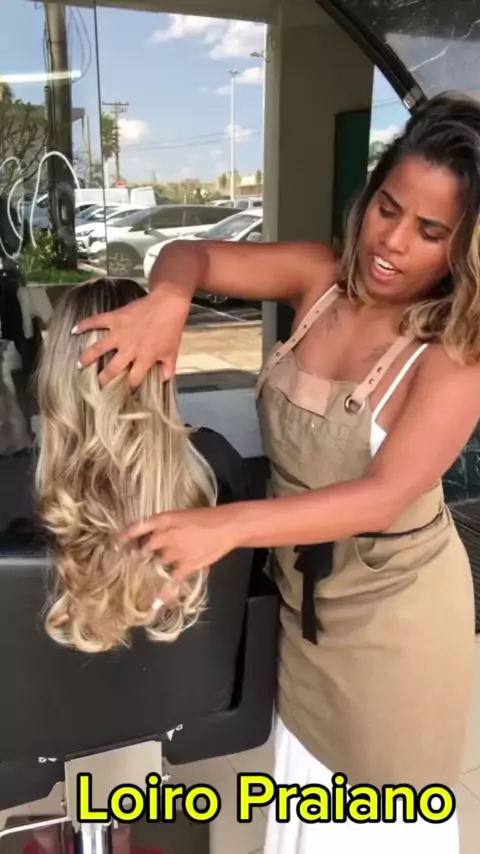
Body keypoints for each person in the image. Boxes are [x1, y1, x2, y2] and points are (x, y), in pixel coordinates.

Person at [73, 93, 480, 851]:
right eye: (387, 209)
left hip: (397, 628)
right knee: (304, 808)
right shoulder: (318, 280)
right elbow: (189, 254)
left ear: (464, 250)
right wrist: (170, 298)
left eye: (430, 232)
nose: (391, 243)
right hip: (305, 610)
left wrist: (224, 527)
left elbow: (381, 496)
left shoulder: (454, 354)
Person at [35, 276, 249, 654]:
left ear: (56, 369)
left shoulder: (14, 494)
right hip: (193, 691)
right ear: (160, 365)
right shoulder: (216, 466)